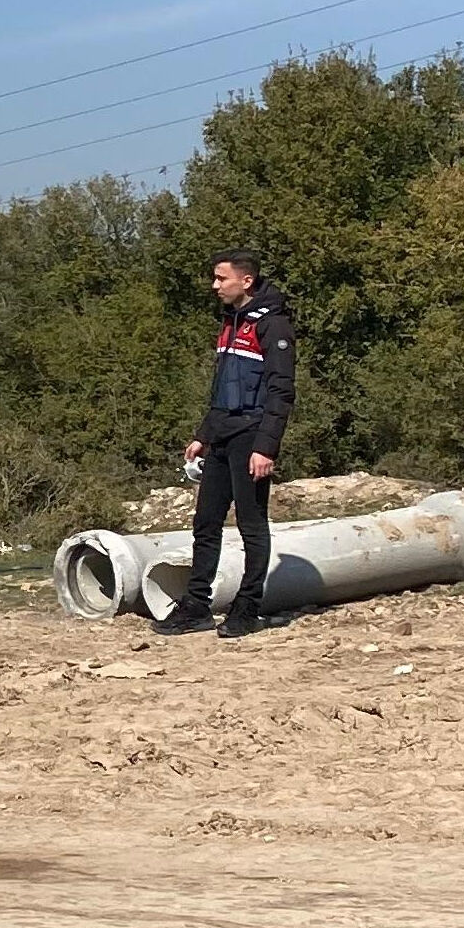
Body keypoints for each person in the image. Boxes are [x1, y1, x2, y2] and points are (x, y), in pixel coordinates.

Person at [162, 251, 298, 640]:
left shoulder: (273, 326)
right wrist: (203, 435)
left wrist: (266, 447)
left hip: (252, 436)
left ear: (247, 281)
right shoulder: (229, 323)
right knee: (206, 522)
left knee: (251, 524)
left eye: (222, 278)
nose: (215, 286)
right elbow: (222, 388)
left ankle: (247, 607)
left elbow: (280, 391)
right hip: (221, 434)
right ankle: (196, 606)